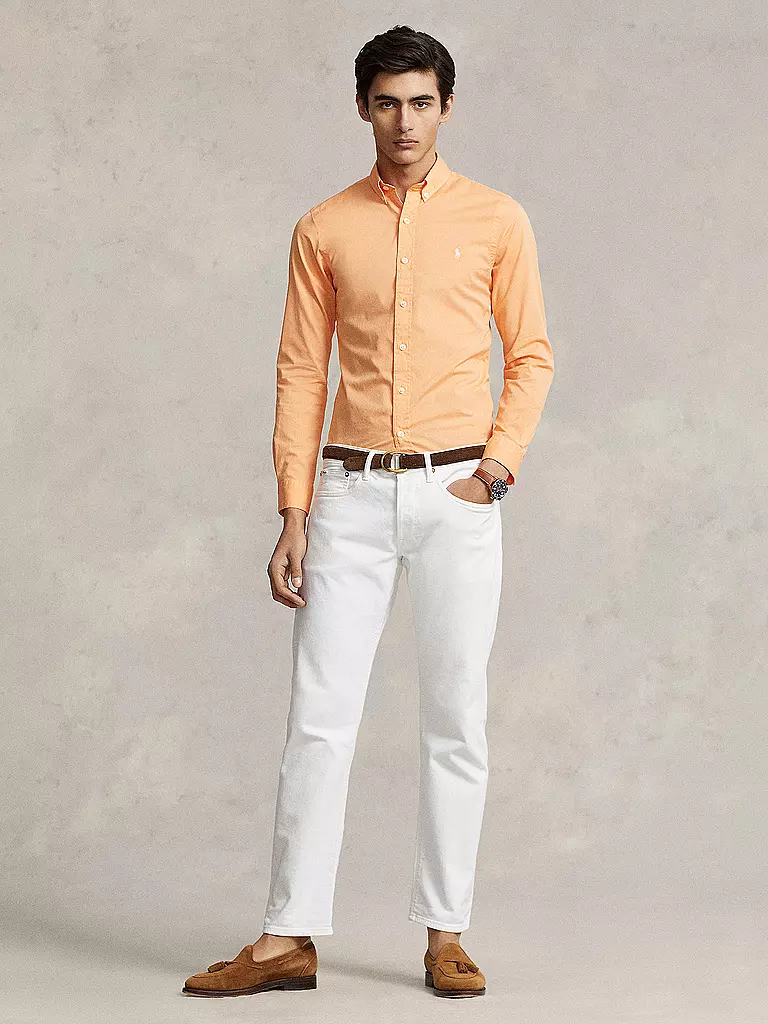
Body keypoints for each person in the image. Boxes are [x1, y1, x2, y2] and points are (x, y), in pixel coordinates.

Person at [183, 23, 554, 1000]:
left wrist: (497, 472)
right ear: (362, 107)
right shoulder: (324, 227)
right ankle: (287, 937)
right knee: (319, 718)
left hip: (458, 491)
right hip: (347, 493)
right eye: (387, 102)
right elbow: (301, 371)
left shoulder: (498, 220)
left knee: (456, 716)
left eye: (422, 102)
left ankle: (446, 933)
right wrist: (293, 510)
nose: (405, 122)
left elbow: (530, 355)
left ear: (447, 108)